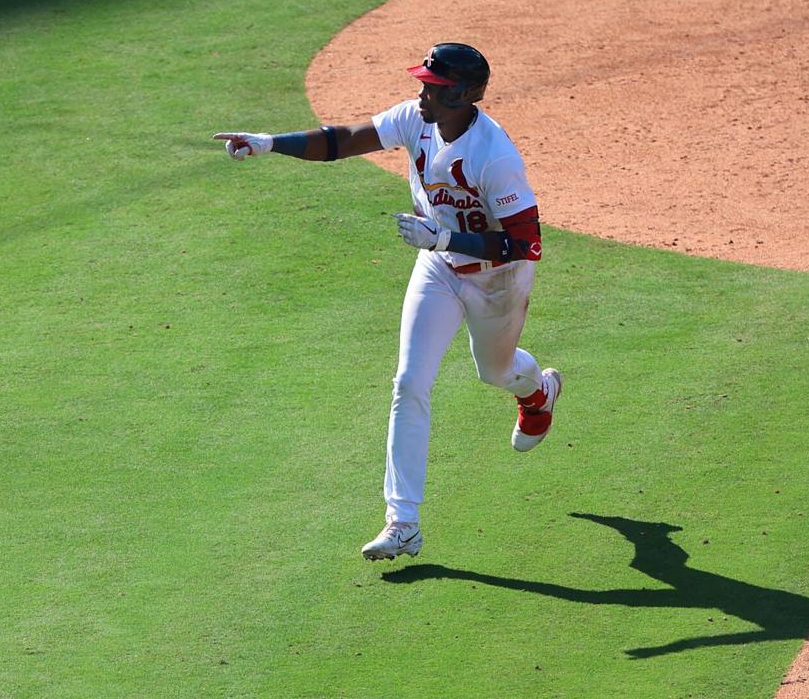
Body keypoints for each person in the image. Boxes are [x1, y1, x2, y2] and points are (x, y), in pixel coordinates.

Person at [214, 42, 562, 561]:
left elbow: (525, 243)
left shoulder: (495, 158)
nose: (423, 93)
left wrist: (445, 239)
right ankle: (404, 522)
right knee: (408, 382)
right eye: (423, 82)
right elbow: (343, 140)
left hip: (498, 279)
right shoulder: (414, 119)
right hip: (438, 267)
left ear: (467, 95)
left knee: (495, 371)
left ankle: (537, 393)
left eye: (436, 87)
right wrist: (269, 143)